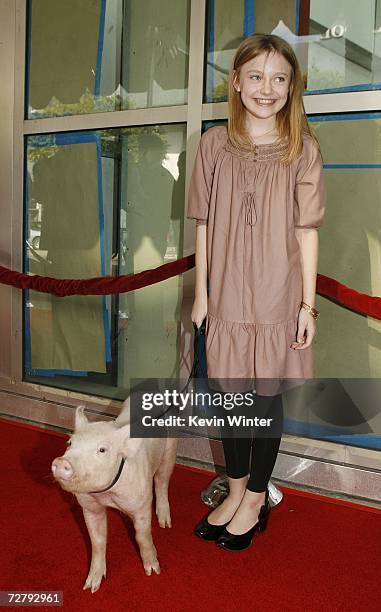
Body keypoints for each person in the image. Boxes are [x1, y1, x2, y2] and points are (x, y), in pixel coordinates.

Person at [186, 33, 326, 551]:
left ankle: (257, 496)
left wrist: (307, 305)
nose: (267, 88)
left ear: (292, 88)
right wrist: (201, 294)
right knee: (229, 402)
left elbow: (307, 232)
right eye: (257, 76)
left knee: (264, 402)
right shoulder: (213, 144)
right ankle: (238, 486)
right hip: (224, 298)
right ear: (237, 83)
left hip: (275, 298)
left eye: (280, 78)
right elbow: (201, 224)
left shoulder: (303, 151)